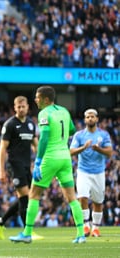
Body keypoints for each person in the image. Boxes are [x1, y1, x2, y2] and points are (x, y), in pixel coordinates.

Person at [9, 85, 85, 244]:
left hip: (50, 157)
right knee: (72, 197)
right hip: (65, 157)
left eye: (37, 97)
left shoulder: (44, 113)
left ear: (45, 99)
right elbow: (71, 129)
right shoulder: (64, 111)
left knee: (33, 195)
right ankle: (80, 234)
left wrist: (38, 161)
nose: (35, 99)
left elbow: (44, 137)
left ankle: (27, 233)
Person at [0, 96, 40, 240]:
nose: (21, 109)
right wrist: (1, 170)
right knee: (25, 197)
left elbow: (36, 145)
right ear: (14, 108)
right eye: (18, 107)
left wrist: (40, 162)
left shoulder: (31, 124)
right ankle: (27, 232)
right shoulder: (10, 124)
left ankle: (1, 221)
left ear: (27, 107)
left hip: (26, 166)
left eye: (23, 106)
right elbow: (2, 148)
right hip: (14, 165)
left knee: (26, 198)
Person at [69, 108, 112, 237]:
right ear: (85, 119)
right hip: (83, 171)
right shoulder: (79, 135)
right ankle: (86, 226)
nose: (90, 119)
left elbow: (109, 153)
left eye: (92, 116)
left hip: (98, 172)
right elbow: (71, 152)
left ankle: (96, 228)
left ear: (97, 119)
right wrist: (83, 147)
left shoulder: (104, 135)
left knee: (98, 202)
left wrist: (98, 149)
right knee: (82, 197)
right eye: (87, 117)